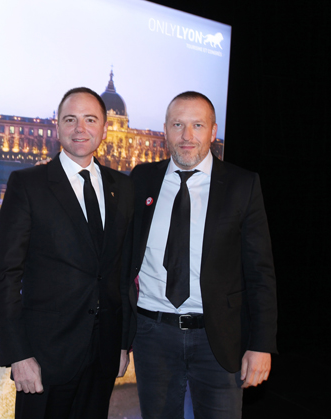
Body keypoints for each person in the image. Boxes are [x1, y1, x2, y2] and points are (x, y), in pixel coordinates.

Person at [125, 91, 277, 419]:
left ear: (213, 131)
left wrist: (261, 344)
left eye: (197, 125)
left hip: (218, 339)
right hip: (153, 336)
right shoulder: (142, 180)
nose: (187, 136)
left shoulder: (242, 185)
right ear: (165, 129)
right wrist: (122, 340)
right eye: (178, 125)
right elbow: (123, 263)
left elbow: (260, 271)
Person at [0, 87, 135, 419]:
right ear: (57, 126)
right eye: (70, 119)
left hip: (103, 354)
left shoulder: (122, 188)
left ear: (104, 127)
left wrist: (124, 343)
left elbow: (122, 273)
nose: (80, 129)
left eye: (90, 119)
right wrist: (18, 355)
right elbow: (5, 276)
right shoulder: (28, 184)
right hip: (44, 358)